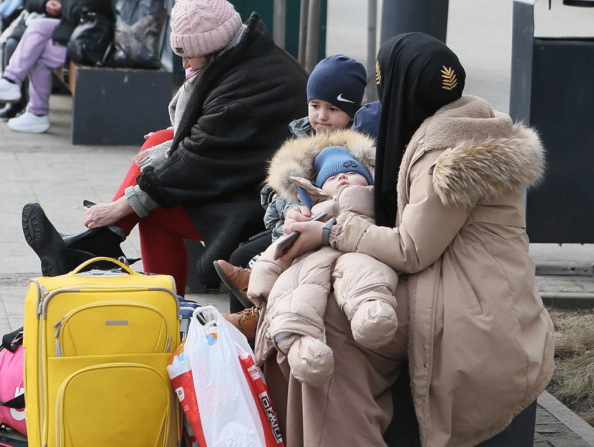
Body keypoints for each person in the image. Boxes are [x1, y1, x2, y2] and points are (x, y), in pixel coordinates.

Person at [270, 32, 555, 447]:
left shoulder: (447, 157)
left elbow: (411, 249)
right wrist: (330, 206)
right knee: (317, 310)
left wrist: (332, 231)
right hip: (468, 285)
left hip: (471, 305)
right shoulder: (459, 121)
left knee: (329, 325)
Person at [20, 0, 309, 294]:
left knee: (154, 211)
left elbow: (196, 160)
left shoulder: (240, 92)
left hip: (262, 200)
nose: (183, 63)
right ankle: (103, 240)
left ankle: (165, 305)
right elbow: (206, 144)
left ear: (214, 47)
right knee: (159, 142)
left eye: (188, 55)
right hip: (247, 173)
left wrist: (122, 206)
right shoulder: (248, 54)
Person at [214, 54, 372, 312]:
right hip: (290, 221)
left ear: (351, 113)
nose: (321, 116)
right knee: (240, 256)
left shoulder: (357, 145)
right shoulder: (301, 135)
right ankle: (245, 333)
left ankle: (256, 322)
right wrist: (287, 211)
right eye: (315, 105)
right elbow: (277, 192)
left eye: (333, 109)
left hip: (327, 227)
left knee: (248, 261)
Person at [244, 134, 399, 390]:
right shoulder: (311, 212)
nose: (342, 177)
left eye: (351, 172)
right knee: (294, 291)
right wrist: (265, 274)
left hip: (357, 249)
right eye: (331, 177)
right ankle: (303, 347)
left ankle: (371, 311)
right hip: (312, 258)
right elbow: (281, 249)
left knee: (367, 272)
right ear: (316, 189)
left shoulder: (374, 201)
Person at [0, 0, 110, 132]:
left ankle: (36, 111)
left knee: (38, 50)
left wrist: (62, 2)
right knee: (38, 26)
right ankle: (11, 82)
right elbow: (29, 1)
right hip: (73, 31)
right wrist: (45, 2)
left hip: (92, 43)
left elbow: (84, 12)